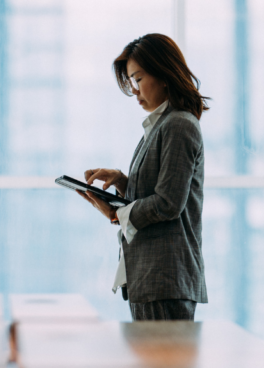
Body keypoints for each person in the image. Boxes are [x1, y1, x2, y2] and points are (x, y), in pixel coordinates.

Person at [77, 33, 208, 321]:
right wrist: (124, 182)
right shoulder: (162, 125)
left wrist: (118, 214)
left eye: (137, 79)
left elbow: (168, 203)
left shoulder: (178, 125)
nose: (135, 91)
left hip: (164, 280)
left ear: (163, 75)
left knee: (162, 367)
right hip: (152, 279)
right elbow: (161, 191)